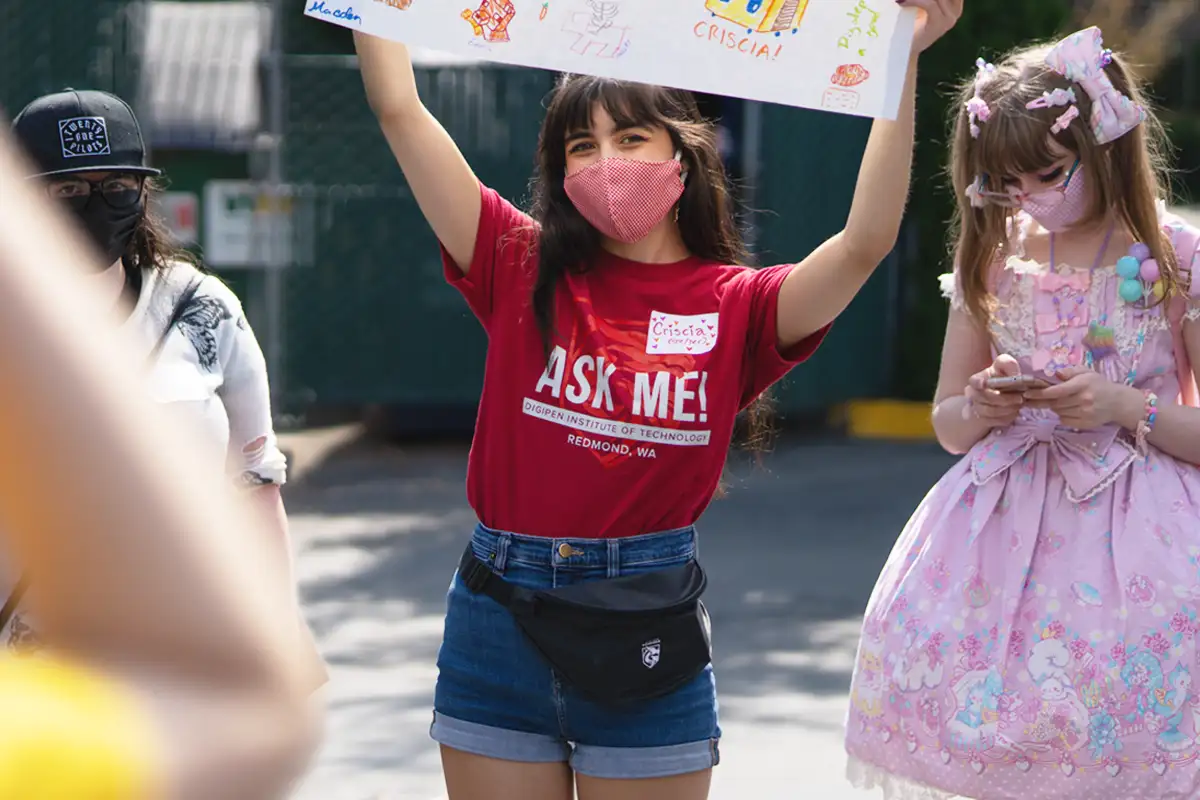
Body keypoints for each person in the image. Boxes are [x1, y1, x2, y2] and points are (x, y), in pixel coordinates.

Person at [354, 1, 962, 797]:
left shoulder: (736, 305)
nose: (606, 162)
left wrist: (902, 53)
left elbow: (865, 241)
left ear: (683, 157)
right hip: (497, 616)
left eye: (631, 137)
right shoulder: (517, 260)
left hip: (647, 622)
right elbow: (400, 107)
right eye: (582, 146)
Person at [845, 26, 1200, 799]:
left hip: (1142, 550)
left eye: (1046, 172)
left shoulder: (1174, 258)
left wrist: (1123, 405)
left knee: (1119, 748)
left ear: (1107, 144)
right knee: (1004, 750)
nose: (1030, 195)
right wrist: (982, 404)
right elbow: (946, 424)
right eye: (1008, 181)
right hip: (994, 541)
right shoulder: (997, 253)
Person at [0, 115, 317, 798]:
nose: (95, 200)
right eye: (65, 190)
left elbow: (255, 486)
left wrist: (279, 626)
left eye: (117, 184)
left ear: (144, 196)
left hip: (156, 670)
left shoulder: (201, 309)